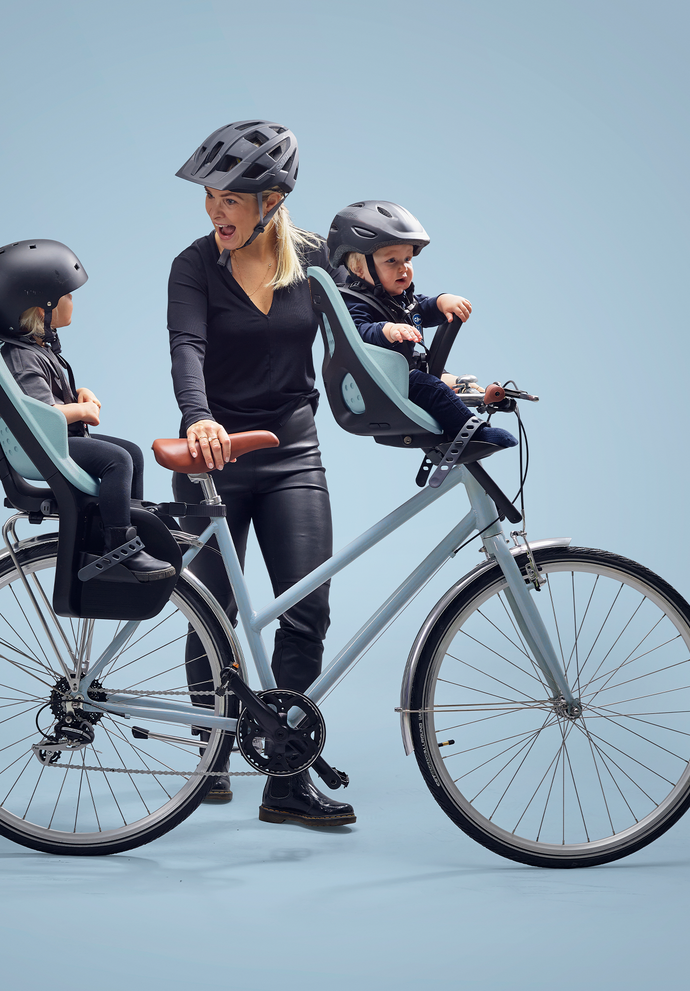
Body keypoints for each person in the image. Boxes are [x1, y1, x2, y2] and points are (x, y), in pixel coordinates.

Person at [168, 120, 355, 825]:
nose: (216, 210)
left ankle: (285, 778)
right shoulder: (192, 266)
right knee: (210, 614)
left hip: (292, 453)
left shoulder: (315, 259)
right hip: (215, 456)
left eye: (231, 199)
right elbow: (186, 346)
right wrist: (198, 416)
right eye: (210, 197)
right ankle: (211, 753)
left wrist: (428, 373)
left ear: (271, 199)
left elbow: (360, 331)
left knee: (307, 610)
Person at [0, 239, 174, 582]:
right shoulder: (22, 356)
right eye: (66, 296)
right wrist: (81, 411)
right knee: (117, 461)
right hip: (43, 446)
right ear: (42, 309)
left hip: (53, 441)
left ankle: (133, 524)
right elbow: (42, 411)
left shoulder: (37, 348)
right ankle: (120, 545)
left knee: (131, 453)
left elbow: (50, 396)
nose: (72, 301)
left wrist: (79, 395)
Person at [327, 201, 517, 449]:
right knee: (431, 387)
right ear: (359, 268)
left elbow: (421, 308)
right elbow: (355, 332)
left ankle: (481, 395)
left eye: (407, 258)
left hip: (407, 372)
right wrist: (387, 331)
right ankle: (472, 432)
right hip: (378, 382)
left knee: (449, 381)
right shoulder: (353, 301)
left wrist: (441, 302)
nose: (403, 267)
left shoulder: (398, 298)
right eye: (391, 261)